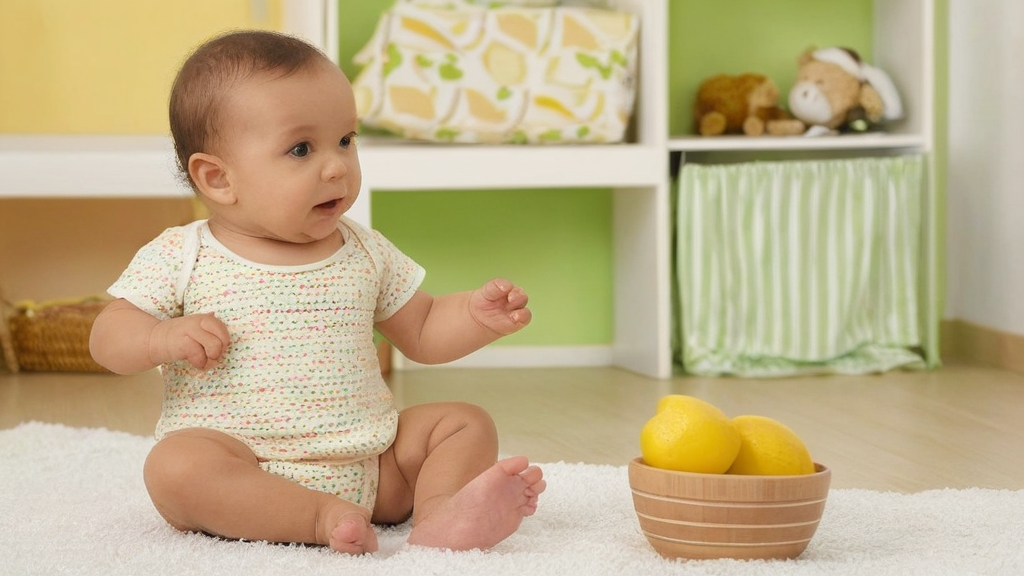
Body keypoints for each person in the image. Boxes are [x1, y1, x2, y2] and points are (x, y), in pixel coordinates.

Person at [89, 29, 545, 555]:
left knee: (464, 422)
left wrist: (474, 316)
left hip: (376, 466)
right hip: (244, 466)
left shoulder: (365, 251)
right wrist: (159, 339)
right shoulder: (182, 254)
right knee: (175, 467)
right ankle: (316, 517)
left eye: (346, 140)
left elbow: (420, 329)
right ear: (218, 179)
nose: (337, 166)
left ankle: (441, 514)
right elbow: (108, 335)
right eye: (301, 149)